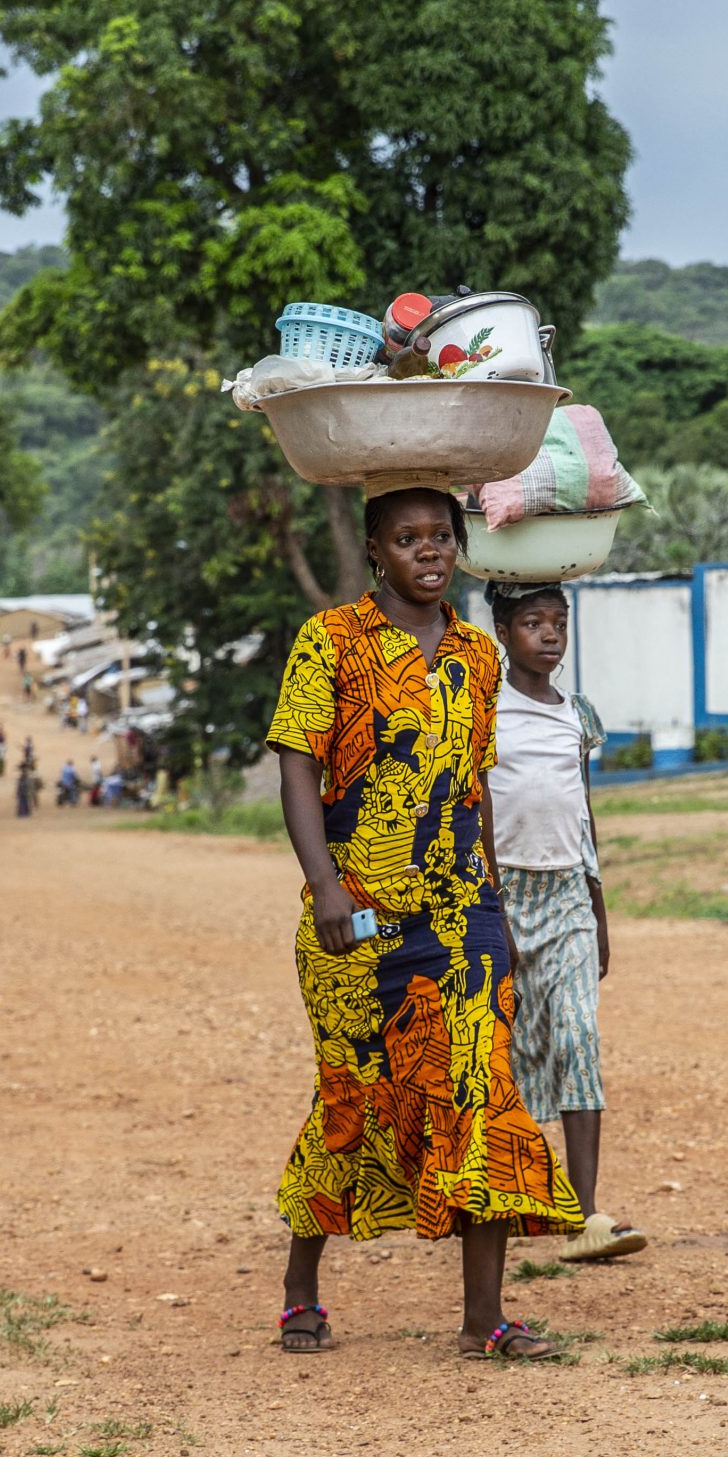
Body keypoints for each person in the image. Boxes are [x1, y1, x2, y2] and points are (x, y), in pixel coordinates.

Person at [266, 485, 580, 1362]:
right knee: (353, 1092)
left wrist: (497, 910)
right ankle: (301, 1289)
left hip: (461, 912)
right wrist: (325, 884)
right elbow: (297, 769)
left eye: (442, 535)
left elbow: (475, 787)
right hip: (356, 915)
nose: (429, 551)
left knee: (483, 1086)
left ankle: (486, 1318)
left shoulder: (479, 654)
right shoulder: (329, 640)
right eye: (408, 538)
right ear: (375, 549)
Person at [487, 582, 644, 1263]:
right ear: (502, 631)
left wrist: (598, 910)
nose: (550, 634)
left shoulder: (577, 714)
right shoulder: (484, 710)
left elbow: (583, 812)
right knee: (509, 1051)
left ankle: (585, 1215)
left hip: (569, 897)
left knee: (578, 1035)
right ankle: (502, 1196)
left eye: (559, 621)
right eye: (532, 622)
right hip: (501, 896)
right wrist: (489, 906)